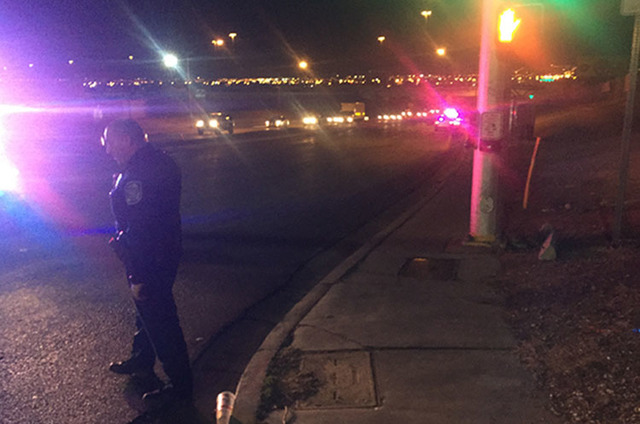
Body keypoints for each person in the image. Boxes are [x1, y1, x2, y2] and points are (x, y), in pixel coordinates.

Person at [101, 119, 193, 408]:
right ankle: (142, 359)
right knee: (147, 313)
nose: (107, 149)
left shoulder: (140, 173)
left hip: (149, 258)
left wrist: (137, 269)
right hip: (161, 252)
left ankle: (180, 386)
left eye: (110, 141)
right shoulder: (155, 161)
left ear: (127, 140)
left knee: (160, 319)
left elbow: (142, 227)